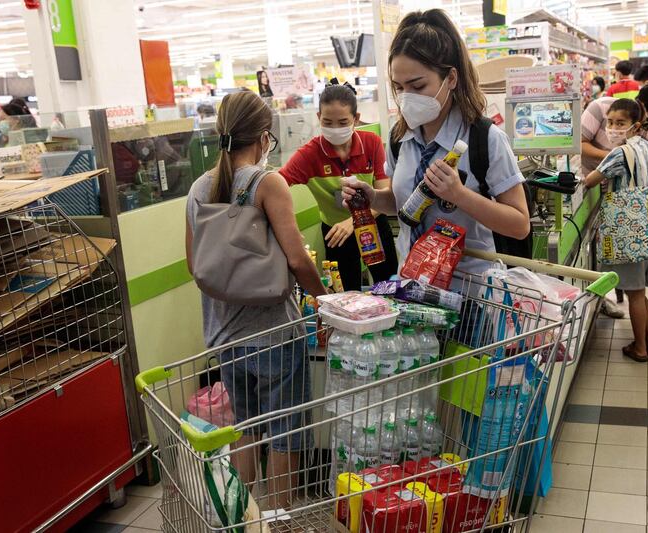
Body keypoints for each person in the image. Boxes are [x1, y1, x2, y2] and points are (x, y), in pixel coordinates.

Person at [185, 91, 326, 509]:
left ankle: (241, 518)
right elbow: (298, 259)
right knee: (286, 432)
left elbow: (195, 264)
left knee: (247, 429)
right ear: (264, 138)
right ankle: (280, 518)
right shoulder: (267, 183)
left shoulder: (199, 187)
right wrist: (327, 301)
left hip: (223, 336)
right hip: (273, 334)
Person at [341, 9, 530, 282]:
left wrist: (459, 195)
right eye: (399, 87)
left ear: (450, 79)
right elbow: (403, 203)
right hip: (412, 287)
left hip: (469, 295)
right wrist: (373, 197)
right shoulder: (399, 138)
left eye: (417, 86)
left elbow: (519, 225)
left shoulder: (484, 139)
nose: (407, 97)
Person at [280, 80, 398, 291]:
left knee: (388, 286)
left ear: (356, 119)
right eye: (328, 122)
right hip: (336, 233)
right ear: (318, 119)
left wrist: (353, 221)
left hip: (373, 224)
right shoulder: (309, 155)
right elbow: (277, 184)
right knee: (346, 295)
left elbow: (385, 194)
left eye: (343, 122)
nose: (335, 129)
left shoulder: (371, 143)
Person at [584, 99, 648, 362]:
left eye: (619, 123)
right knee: (641, 293)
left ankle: (641, 349)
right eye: (609, 122)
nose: (612, 128)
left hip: (631, 234)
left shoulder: (620, 154)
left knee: (634, 295)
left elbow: (589, 181)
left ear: (634, 126)